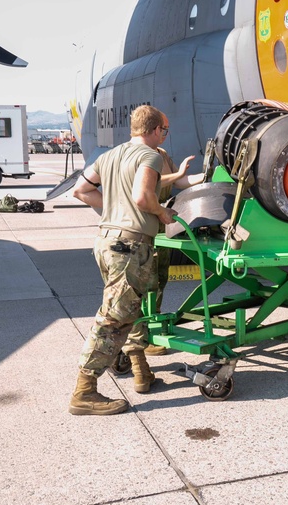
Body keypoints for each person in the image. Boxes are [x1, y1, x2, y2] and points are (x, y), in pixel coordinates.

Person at [67, 105, 178, 416]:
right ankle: (84, 391)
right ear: (155, 130)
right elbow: (144, 197)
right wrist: (161, 212)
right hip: (130, 247)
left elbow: (81, 189)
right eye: (163, 131)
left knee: (126, 313)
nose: (163, 136)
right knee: (113, 319)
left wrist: (113, 210)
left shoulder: (110, 155)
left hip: (107, 242)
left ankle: (140, 369)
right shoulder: (151, 156)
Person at [142, 148, 204, 357]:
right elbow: (150, 185)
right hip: (145, 221)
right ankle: (143, 333)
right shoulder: (138, 154)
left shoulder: (162, 154)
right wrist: (176, 176)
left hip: (163, 222)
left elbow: (180, 182)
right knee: (146, 279)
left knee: (160, 277)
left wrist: (206, 175)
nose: (164, 134)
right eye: (162, 129)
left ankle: (153, 323)